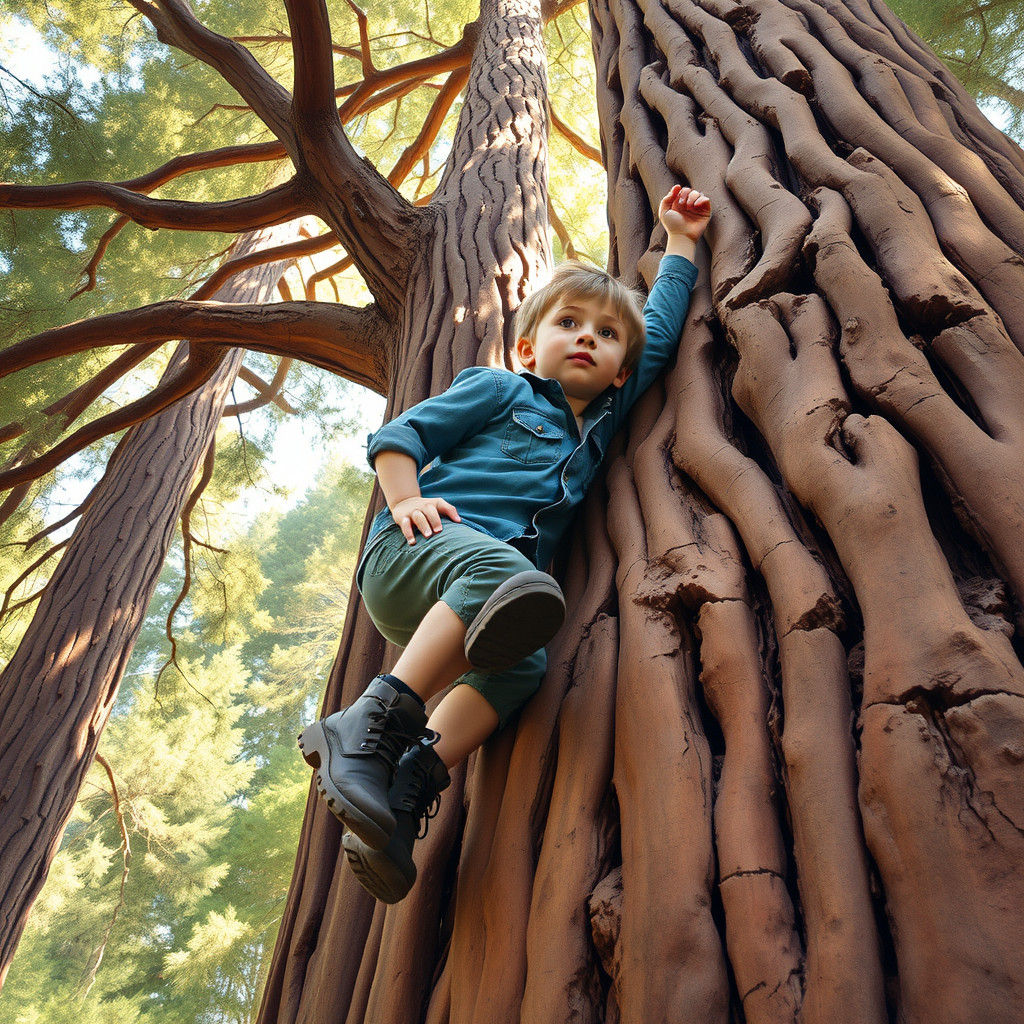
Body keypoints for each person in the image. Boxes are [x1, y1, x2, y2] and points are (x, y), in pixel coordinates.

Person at [298, 184, 711, 903]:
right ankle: (367, 721)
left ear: (620, 370)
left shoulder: (602, 423)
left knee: (524, 666)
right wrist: (406, 500)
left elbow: (665, 332)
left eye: (608, 335)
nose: (588, 336)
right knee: (506, 569)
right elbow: (399, 438)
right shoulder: (499, 390)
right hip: (413, 555)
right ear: (529, 345)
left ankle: (400, 794)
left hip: (474, 604)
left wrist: (681, 242)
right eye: (570, 323)